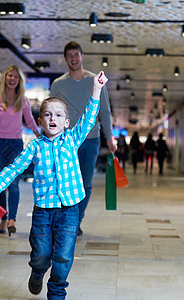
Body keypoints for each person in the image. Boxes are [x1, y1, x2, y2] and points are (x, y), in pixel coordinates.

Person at [0, 71, 109, 300]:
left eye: (58, 115)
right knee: (42, 254)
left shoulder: (73, 139)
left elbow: (90, 116)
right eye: (47, 115)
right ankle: (37, 271)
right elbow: (15, 168)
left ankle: (56, 294)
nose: (52, 119)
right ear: (41, 120)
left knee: (63, 256)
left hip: (69, 211)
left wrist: (96, 89)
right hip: (44, 211)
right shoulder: (34, 147)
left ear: (67, 122)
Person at [50, 41, 116, 235]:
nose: (73, 59)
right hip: (66, 142)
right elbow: (51, 111)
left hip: (91, 139)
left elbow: (105, 111)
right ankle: (66, 219)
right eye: (70, 55)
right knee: (63, 181)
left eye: (76, 55)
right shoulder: (58, 84)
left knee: (85, 183)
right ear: (65, 59)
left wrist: (110, 138)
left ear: (82, 56)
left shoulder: (95, 81)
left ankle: (76, 219)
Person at [0, 65, 40, 236]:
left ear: (19, 80)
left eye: (15, 76)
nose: (12, 79)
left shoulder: (24, 101)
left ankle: (12, 218)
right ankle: (3, 217)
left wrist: (42, 138)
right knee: (0, 184)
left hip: (15, 145)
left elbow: (30, 121)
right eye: (9, 75)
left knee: (13, 183)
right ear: (5, 78)